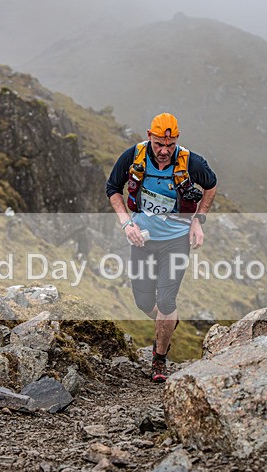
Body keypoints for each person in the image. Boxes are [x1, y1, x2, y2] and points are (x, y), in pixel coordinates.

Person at [106, 113, 217, 382]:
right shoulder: (133, 156)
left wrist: (198, 221)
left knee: (166, 300)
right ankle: (167, 322)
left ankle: (159, 360)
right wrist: (126, 224)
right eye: (158, 144)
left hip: (177, 240)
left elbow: (211, 186)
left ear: (177, 139)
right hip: (143, 239)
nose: (165, 150)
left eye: (170, 144)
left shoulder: (191, 161)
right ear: (149, 136)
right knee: (143, 301)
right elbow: (113, 189)